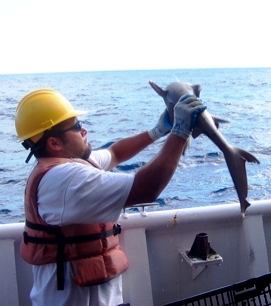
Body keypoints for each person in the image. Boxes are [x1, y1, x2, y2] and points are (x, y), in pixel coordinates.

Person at [14, 88, 205, 306]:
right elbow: (146, 189)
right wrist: (180, 133)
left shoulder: (66, 164)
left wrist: (158, 130)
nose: (84, 130)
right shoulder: (65, 180)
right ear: (54, 144)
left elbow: (114, 153)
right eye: (76, 127)